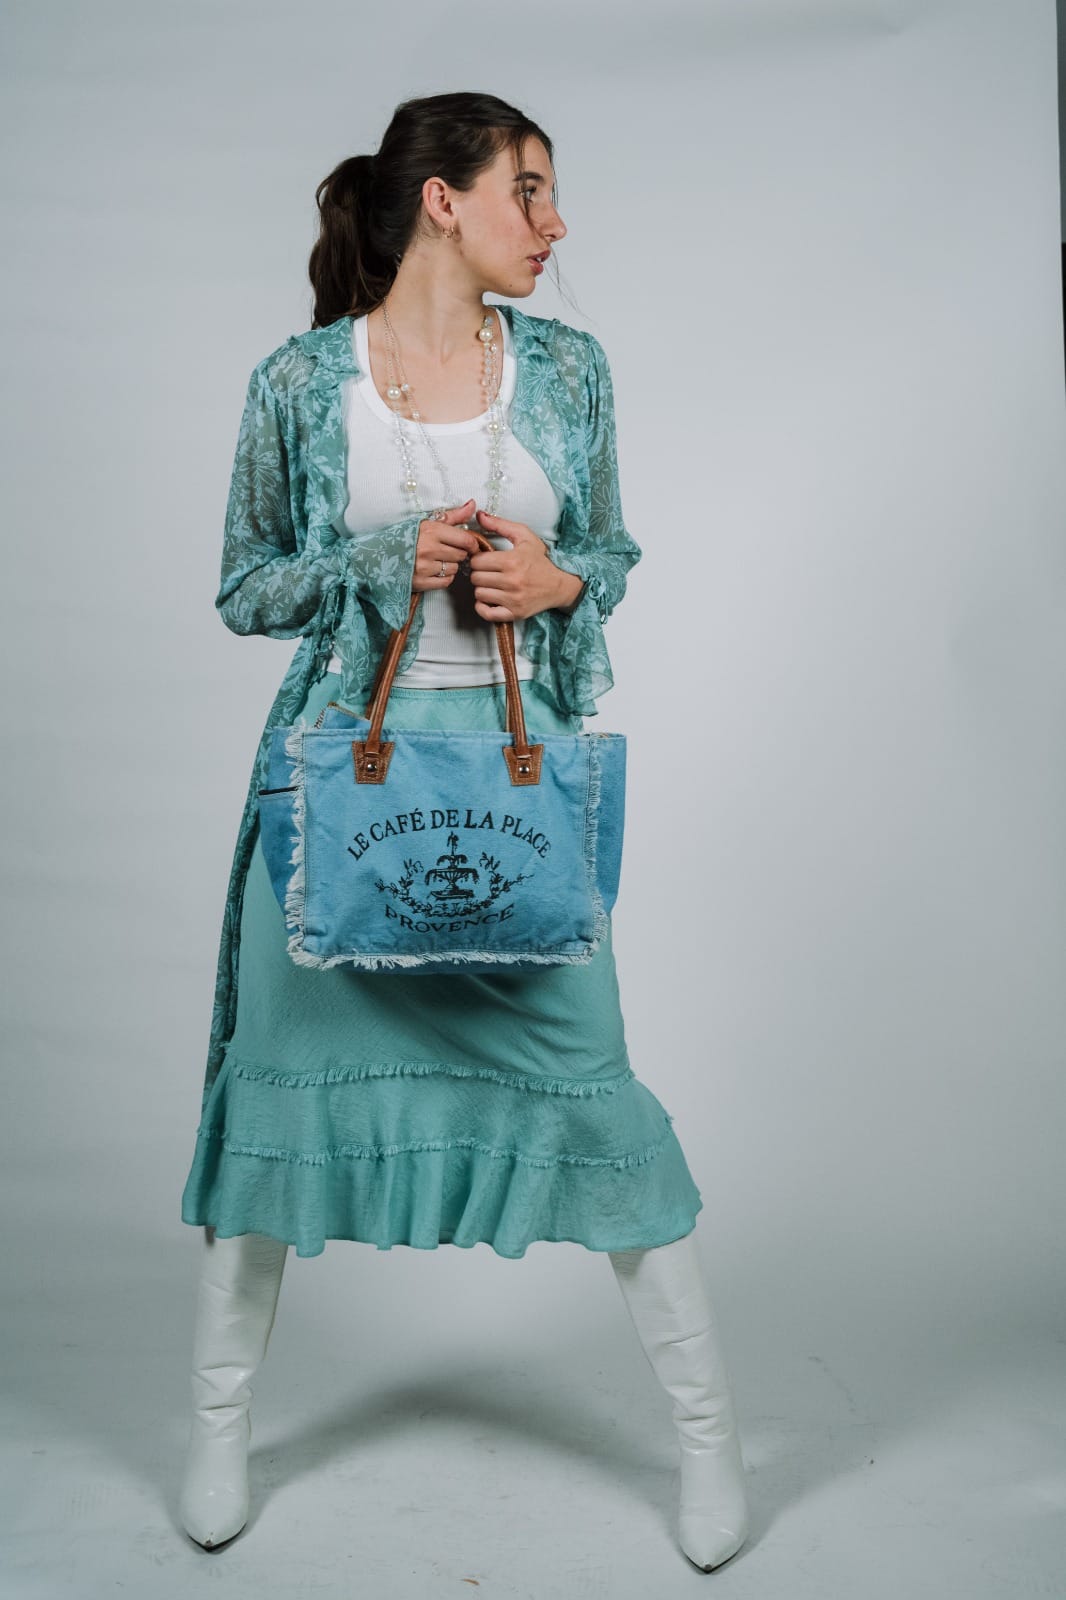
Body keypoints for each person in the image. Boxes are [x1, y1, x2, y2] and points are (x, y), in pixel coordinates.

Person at [177, 90, 749, 1573]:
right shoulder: (300, 381)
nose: (555, 225)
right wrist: (380, 559)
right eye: (530, 191)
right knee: (279, 1099)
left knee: (594, 1092)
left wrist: (558, 585)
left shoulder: (569, 368)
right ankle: (219, 1431)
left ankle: (708, 1442)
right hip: (338, 788)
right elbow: (246, 586)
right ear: (444, 198)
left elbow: (607, 551)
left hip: (514, 778)